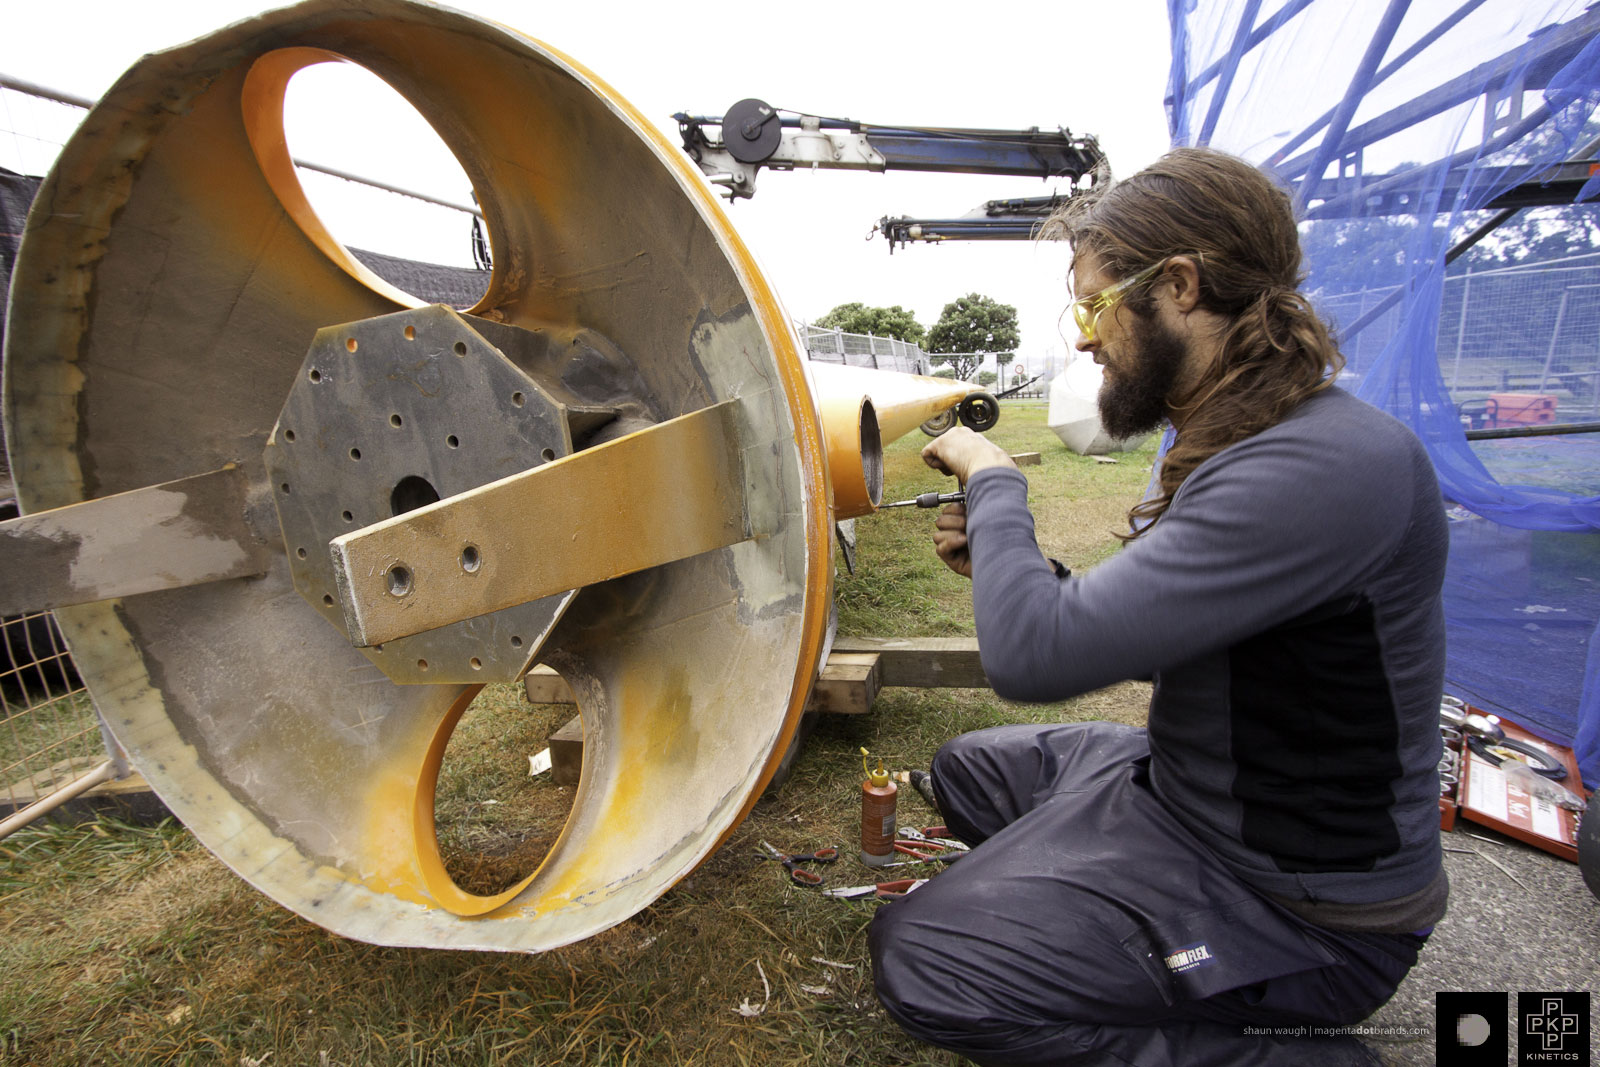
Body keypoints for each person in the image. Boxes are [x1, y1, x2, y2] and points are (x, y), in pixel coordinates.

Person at [868, 147, 1448, 1067]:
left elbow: (1034, 662)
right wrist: (1021, 573)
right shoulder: (1255, 436)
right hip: (1186, 789)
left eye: (1094, 304)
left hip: (1301, 906)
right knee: (967, 768)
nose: (1085, 337)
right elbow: (1165, 639)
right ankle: (1079, 884)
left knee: (927, 960)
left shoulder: (1324, 468)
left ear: (1179, 285)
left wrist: (993, 479)